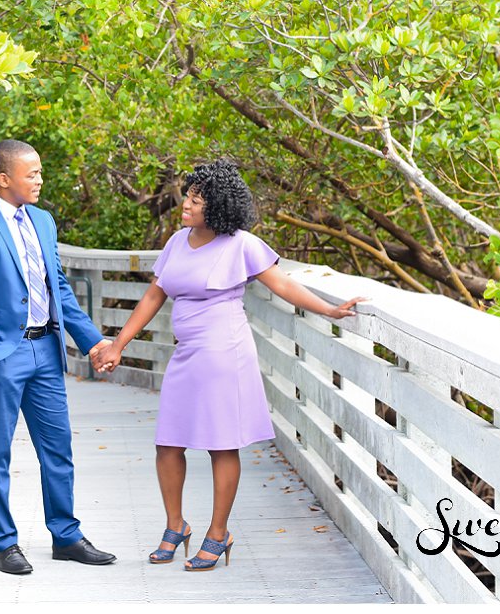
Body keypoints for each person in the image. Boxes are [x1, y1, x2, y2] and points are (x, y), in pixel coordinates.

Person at [90, 159, 365, 572]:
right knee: (168, 442)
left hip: (225, 352)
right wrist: (118, 345)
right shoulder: (177, 242)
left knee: (221, 443)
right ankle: (176, 525)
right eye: (187, 195)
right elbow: (153, 296)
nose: (186, 203)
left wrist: (329, 310)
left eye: (196, 200)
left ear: (217, 206)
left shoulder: (242, 244)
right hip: (186, 353)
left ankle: (218, 533)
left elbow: (284, 284)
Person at [0, 139, 118, 575]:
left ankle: (66, 535)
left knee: (58, 448)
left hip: (46, 348)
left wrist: (91, 340)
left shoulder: (43, 220)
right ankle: (5, 544)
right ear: (5, 179)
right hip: (1, 355)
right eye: (32, 173)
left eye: (40, 172)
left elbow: (57, 287)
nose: (40, 180)